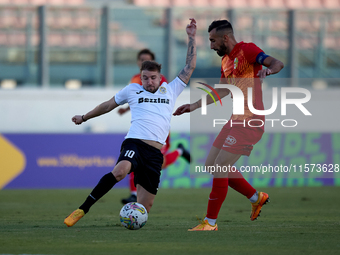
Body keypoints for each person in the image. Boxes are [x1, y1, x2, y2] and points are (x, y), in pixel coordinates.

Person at [64, 18, 197, 227]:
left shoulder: (171, 89)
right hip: (134, 142)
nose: (148, 82)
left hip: (155, 153)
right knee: (120, 171)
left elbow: (190, 66)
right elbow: (108, 105)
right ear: (141, 77)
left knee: (145, 207)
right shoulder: (133, 90)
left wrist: (191, 38)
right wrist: (84, 117)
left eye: (152, 78)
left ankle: (131, 226)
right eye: (145, 78)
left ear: (160, 77)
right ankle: (82, 209)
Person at [174, 20, 284, 231]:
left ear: (225, 38)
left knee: (220, 166)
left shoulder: (248, 50)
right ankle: (255, 197)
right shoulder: (225, 61)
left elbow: (277, 63)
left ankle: (210, 223)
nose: (211, 45)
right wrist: (195, 105)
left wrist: (267, 72)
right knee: (211, 165)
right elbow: (223, 90)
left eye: (213, 40)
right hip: (235, 119)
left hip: (251, 120)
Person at [118, 48, 191, 204]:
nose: (143, 62)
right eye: (141, 59)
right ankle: (133, 194)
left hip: (158, 130)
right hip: (141, 130)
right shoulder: (135, 79)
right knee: (133, 160)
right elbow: (139, 98)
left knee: (160, 163)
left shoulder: (159, 79)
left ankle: (179, 151)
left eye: (147, 59)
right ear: (138, 62)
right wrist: (125, 108)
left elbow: (158, 98)